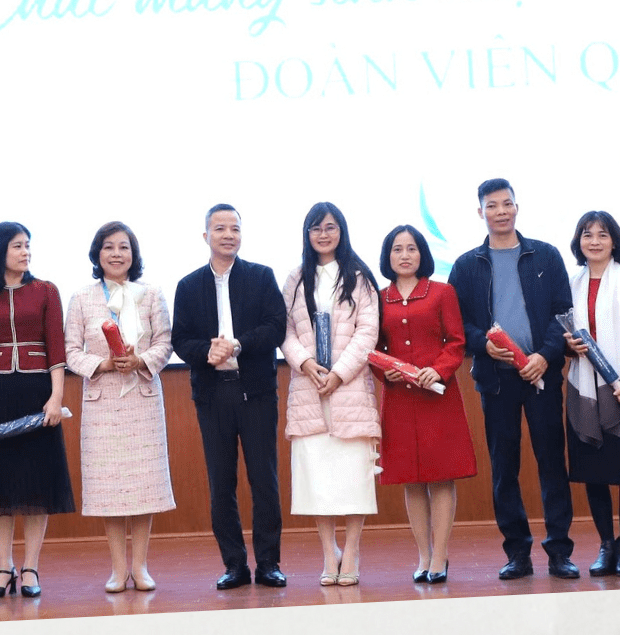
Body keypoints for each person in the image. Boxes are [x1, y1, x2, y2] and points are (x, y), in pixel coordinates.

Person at [451, 179, 579, 580]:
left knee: (551, 463)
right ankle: (517, 553)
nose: (501, 211)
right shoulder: (467, 265)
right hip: (496, 381)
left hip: (541, 376)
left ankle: (559, 551)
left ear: (517, 208)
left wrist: (545, 355)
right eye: (492, 206)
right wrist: (482, 345)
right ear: (481, 212)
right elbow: (458, 325)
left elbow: (563, 314)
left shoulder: (545, 255)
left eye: (507, 204)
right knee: (504, 467)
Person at [171, 203, 288, 590]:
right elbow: (179, 339)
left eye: (235, 228)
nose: (228, 235)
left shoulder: (261, 276)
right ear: (206, 236)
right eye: (220, 228)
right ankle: (234, 564)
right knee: (221, 483)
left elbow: (276, 326)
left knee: (264, 479)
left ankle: (268, 563)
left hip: (256, 392)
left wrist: (238, 345)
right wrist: (208, 351)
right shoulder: (189, 285)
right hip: (212, 394)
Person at [64, 221, 176, 592]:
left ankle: (140, 567)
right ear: (97, 254)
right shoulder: (81, 298)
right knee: (108, 489)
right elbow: (71, 351)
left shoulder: (151, 294)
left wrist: (140, 360)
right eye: (109, 247)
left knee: (143, 487)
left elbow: (165, 343)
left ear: (133, 254)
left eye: (123, 247)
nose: (116, 253)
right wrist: (104, 364)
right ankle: (117, 569)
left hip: (142, 400)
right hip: (102, 403)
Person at [0, 222, 74, 600]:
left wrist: (55, 397)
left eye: (27, 245)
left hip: (36, 391)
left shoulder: (46, 290)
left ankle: (30, 567)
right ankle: (3, 567)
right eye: (17, 246)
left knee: (36, 482)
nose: (25, 252)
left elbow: (56, 346)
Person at [281, 203, 383, 585]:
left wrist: (339, 374)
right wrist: (305, 363)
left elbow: (368, 331)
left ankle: (351, 551)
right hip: (308, 389)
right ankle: (329, 553)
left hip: (349, 388)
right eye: (316, 228)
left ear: (341, 231)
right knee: (317, 478)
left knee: (354, 477)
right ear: (307, 234)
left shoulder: (359, 277)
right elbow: (284, 331)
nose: (323, 235)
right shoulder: (295, 279)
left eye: (330, 227)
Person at [375, 224, 476, 584]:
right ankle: (423, 555)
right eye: (397, 249)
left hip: (437, 398)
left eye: (412, 248)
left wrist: (439, 370)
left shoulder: (442, 292)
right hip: (400, 399)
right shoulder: (378, 298)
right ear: (387, 256)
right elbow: (373, 348)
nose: (405, 255)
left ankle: (441, 556)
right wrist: (384, 372)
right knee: (411, 480)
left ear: (422, 254)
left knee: (441, 476)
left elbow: (456, 341)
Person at [562, 211, 620, 577]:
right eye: (587, 234)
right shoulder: (570, 284)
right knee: (594, 471)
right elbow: (563, 339)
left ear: (615, 241)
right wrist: (567, 346)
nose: (595, 241)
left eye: (603, 234)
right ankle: (605, 544)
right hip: (583, 389)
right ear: (579, 242)